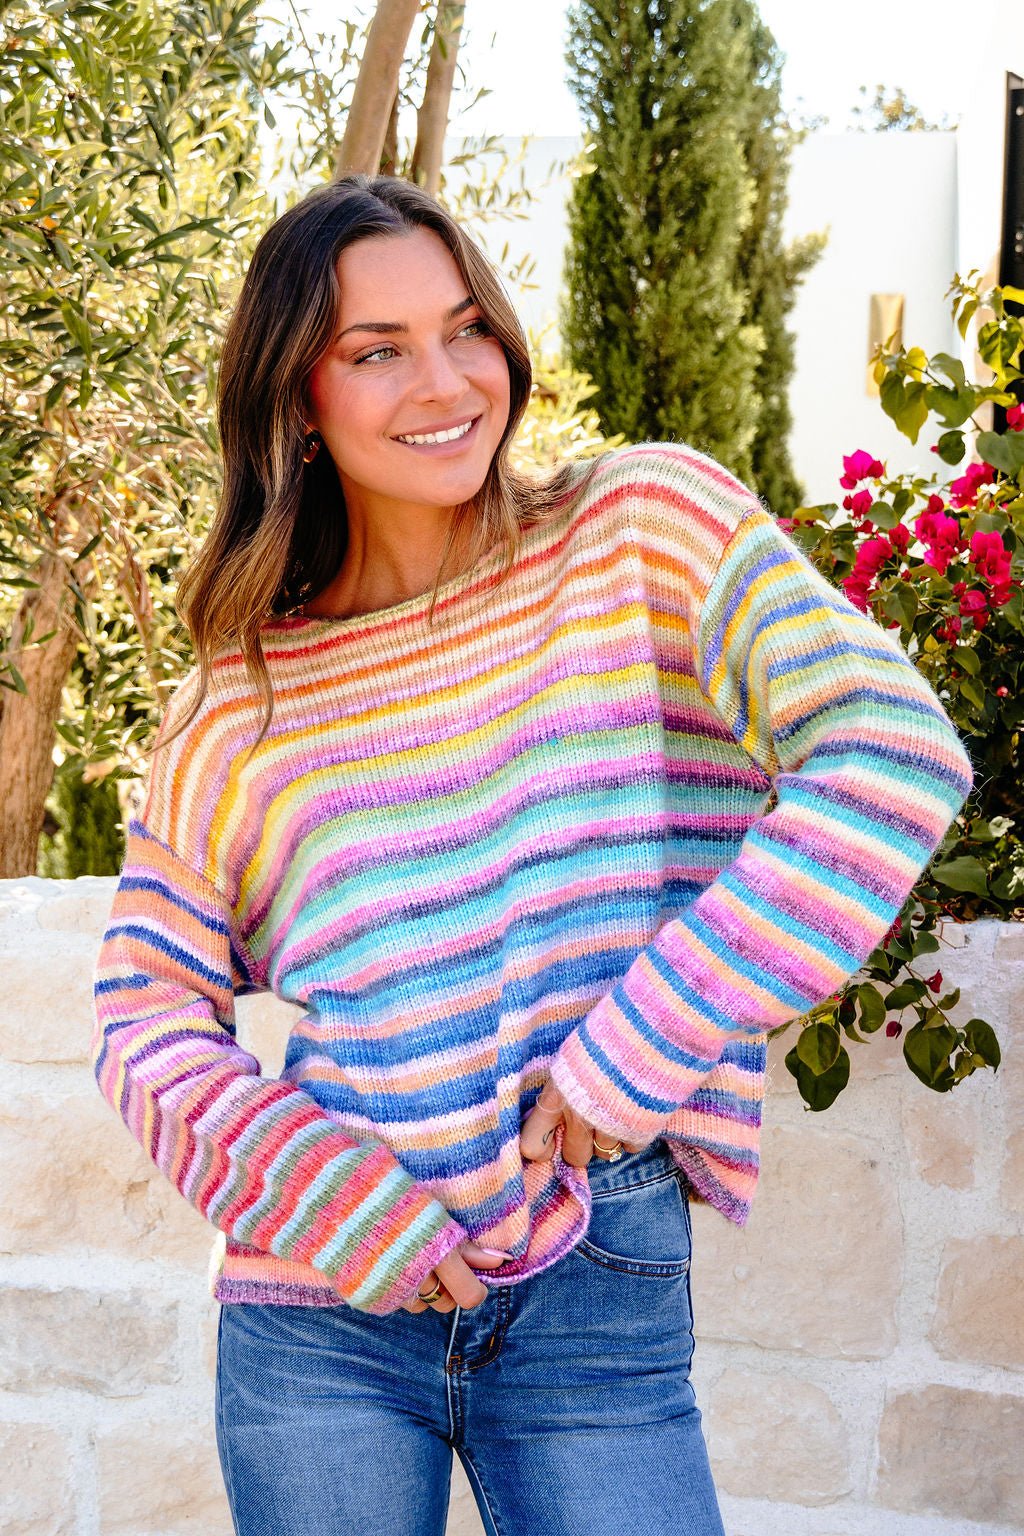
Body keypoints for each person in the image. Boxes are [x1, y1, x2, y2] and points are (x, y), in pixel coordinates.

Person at [91, 174, 974, 1536]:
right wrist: (333, 1197)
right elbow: (145, 1018)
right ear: (297, 405)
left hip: (594, 1265)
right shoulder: (240, 704)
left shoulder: (641, 530)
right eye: (375, 351)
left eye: (466, 330)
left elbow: (890, 754)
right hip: (318, 1305)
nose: (445, 381)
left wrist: (648, 1043)